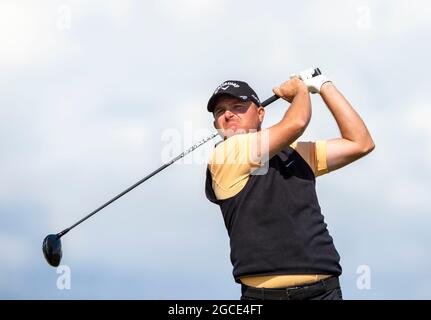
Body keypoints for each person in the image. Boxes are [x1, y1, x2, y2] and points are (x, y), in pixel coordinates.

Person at [204, 68, 375, 300]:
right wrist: (299, 91)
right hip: (263, 296)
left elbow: (360, 142)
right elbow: (296, 122)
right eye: (220, 111)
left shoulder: (296, 154)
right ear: (216, 123)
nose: (228, 115)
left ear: (261, 113)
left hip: (324, 292)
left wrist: (325, 85)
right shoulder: (225, 155)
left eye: (238, 107)